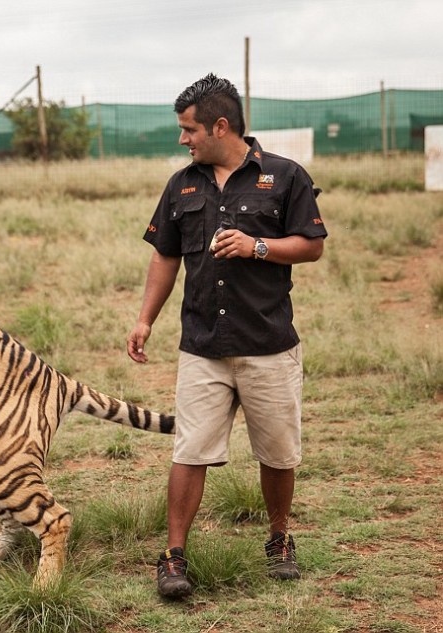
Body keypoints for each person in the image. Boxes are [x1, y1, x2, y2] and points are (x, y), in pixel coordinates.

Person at [126, 73, 327, 599]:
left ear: (220, 125)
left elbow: (311, 245)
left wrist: (257, 246)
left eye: (188, 129)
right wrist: (146, 317)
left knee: (278, 453)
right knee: (189, 451)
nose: (182, 139)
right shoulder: (181, 185)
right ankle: (173, 558)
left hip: (268, 345)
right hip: (203, 347)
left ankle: (280, 538)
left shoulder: (285, 177)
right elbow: (165, 255)